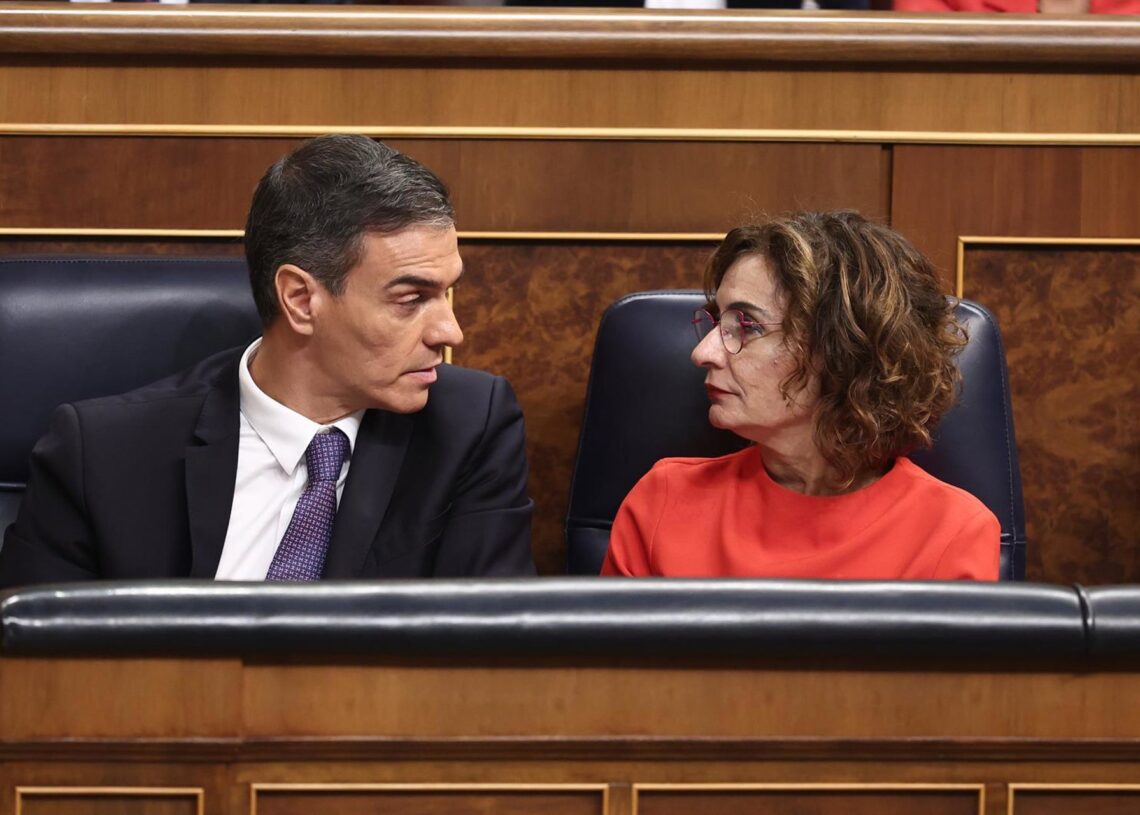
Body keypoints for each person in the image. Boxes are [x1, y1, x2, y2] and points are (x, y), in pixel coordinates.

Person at [0, 135, 535, 587]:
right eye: (411, 299)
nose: (450, 332)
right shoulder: (102, 455)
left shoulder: (468, 427)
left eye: (447, 293)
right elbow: (35, 663)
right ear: (301, 300)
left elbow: (485, 650)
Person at [602, 211, 999, 580]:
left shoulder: (952, 534)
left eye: (746, 325)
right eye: (717, 321)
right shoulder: (663, 502)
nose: (702, 352)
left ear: (843, 350)